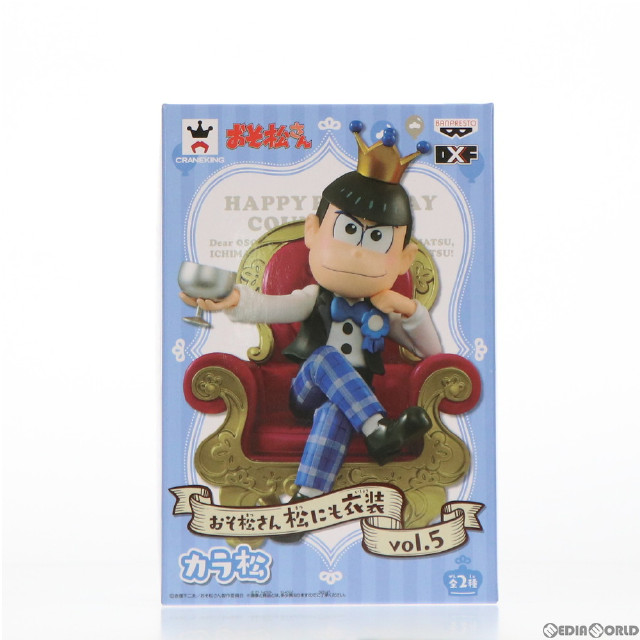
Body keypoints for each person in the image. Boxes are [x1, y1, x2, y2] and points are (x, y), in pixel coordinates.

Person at [180, 122, 443, 540]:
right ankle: (378, 430)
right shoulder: (313, 297)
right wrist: (232, 300)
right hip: (305, 390)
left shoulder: (383, 309)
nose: (358, 252)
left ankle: (302, 506)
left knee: (334, 411)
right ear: (313, 232)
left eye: (377, 239)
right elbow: (271, 306)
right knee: (325, 358)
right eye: (349, 231)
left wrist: (410, 310)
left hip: (349, 401)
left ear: (403, 259)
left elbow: (432, 356)